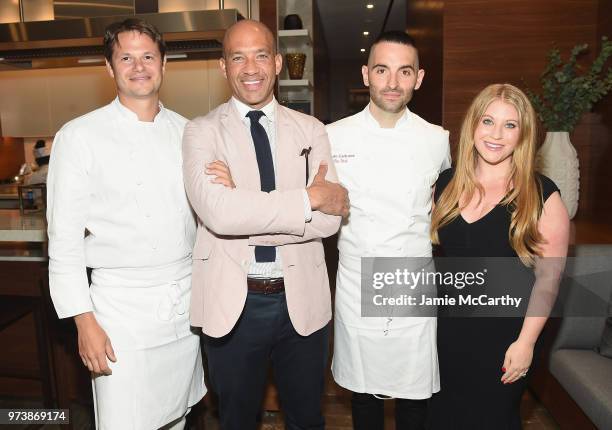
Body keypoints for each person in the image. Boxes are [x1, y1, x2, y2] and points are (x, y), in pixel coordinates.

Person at [182, 19, 349, 430]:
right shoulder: (200, 133)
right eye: (237, 57)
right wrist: (307, 200)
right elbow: (219, 215)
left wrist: (244, 204)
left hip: (303, 301)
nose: (250, 67)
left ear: (277, 63)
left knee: (307, 419)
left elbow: (328, 225)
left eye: (260, 55)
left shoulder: (312, 130)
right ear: (224, 67)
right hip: (233, 304)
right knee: (236, 419)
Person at [46, 18, 205, 429]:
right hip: (120, 313)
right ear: (109, 67)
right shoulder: (79, 136)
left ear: (164, 64)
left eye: (148, 56)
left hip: (183, 308)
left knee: (177, 419)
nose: (139, 66)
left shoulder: (189, 133)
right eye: (126, 57)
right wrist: (84, 321)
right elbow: (63, 242)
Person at [326, 31, 450, 430]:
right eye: (382, 70)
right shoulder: (333, 136)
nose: (392, 82)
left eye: (404, 71)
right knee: (363, 394)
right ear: (366, 74)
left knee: (414, 395)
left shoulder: (437, 140)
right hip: (356, 276)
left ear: (419, 78)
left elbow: (445, 210)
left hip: (411, 275)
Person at [428, 83, 569, 429]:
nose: (496, 134)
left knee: (493, 419)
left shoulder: (542, 196)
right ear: (473, 125)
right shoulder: (445, 185)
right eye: (488, 121)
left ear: (523, 135)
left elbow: (548, 280)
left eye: (510, 125)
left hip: (506, 339)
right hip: (444, 334)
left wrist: (526, 342)